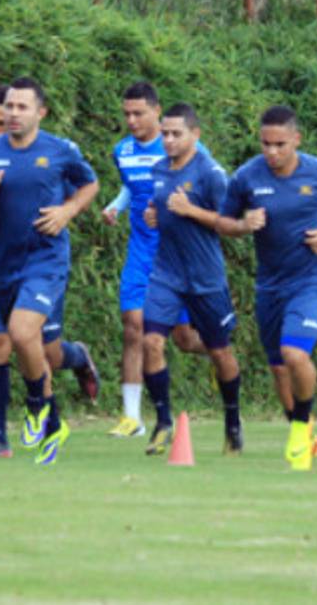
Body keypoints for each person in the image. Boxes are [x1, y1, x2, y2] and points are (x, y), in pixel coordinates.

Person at [0, 77, 99, 466]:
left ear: (41, 112)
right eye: (9, 106)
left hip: (45, 260)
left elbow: (90, 184)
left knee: (22, 333)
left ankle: (37, 403)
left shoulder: (60, 150)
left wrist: (67, 211)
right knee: (21, 346)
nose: (13, 114)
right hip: (2, 265)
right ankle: (52, 421)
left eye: (22, 107)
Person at [217, 105, 317, 471]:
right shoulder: (247, 177)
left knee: (295, 354)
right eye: (266, 144)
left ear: (297, 139)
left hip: (310, 279)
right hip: (269, 284)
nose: (272, 152)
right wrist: (244, 225)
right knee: (279, 368)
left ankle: (298, 430)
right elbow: (222, 222)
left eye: (280, 144)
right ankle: (304, 428)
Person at [101, 82, 205, 438]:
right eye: (126, 113)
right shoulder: (122, 151)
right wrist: (117, 205)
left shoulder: (183, 145)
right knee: (133, 325)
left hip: (180, 254)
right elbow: (133, 184)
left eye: (138, 113)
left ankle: (221, 350)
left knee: (185, 339)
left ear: (157, 112)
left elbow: (206, 187)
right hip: (143, 253)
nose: (131, 120)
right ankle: (132, 417)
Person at [139, 103, 243, 454]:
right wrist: (156, 216)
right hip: (166, 273)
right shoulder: (158, 170)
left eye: (175, 134)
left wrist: (190, 211)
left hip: (205, 277)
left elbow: (231, 225)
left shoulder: (211, 174)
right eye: (164, 134)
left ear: (195, 135)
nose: (167, 140)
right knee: (151, 342)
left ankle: (232, 420)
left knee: (220, 351)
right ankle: (163, 422)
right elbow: (162, 209)